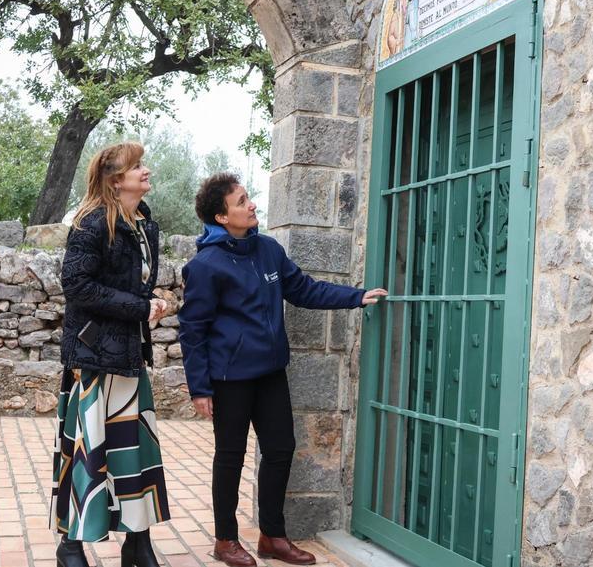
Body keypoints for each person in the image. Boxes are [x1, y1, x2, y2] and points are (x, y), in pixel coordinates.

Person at [179, 173, 387, 567]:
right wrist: (199, 388)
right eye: (241, 201)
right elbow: (193, 330)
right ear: (222, 217)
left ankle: (272, 536)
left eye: (247, 199)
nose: (251, 204)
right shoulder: (205, 266)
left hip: (270, 372)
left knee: (280, 449)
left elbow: (305, 289)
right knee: (230, 455)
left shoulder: (269, 251)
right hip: (230, 378)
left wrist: (357, 297)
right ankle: (225, 541)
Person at [53, 142, 171, 567]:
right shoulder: (90, 223)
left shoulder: (143, 223)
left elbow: (129, 285)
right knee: (90, 453)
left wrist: (150, 300)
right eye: (137, 166)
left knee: (134, 451)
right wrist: (140, 306)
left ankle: (137, 543)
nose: (146, 171)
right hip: (92, 356)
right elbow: (77, 286)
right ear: (115, 179)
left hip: (128, 356)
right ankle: (70, 544)